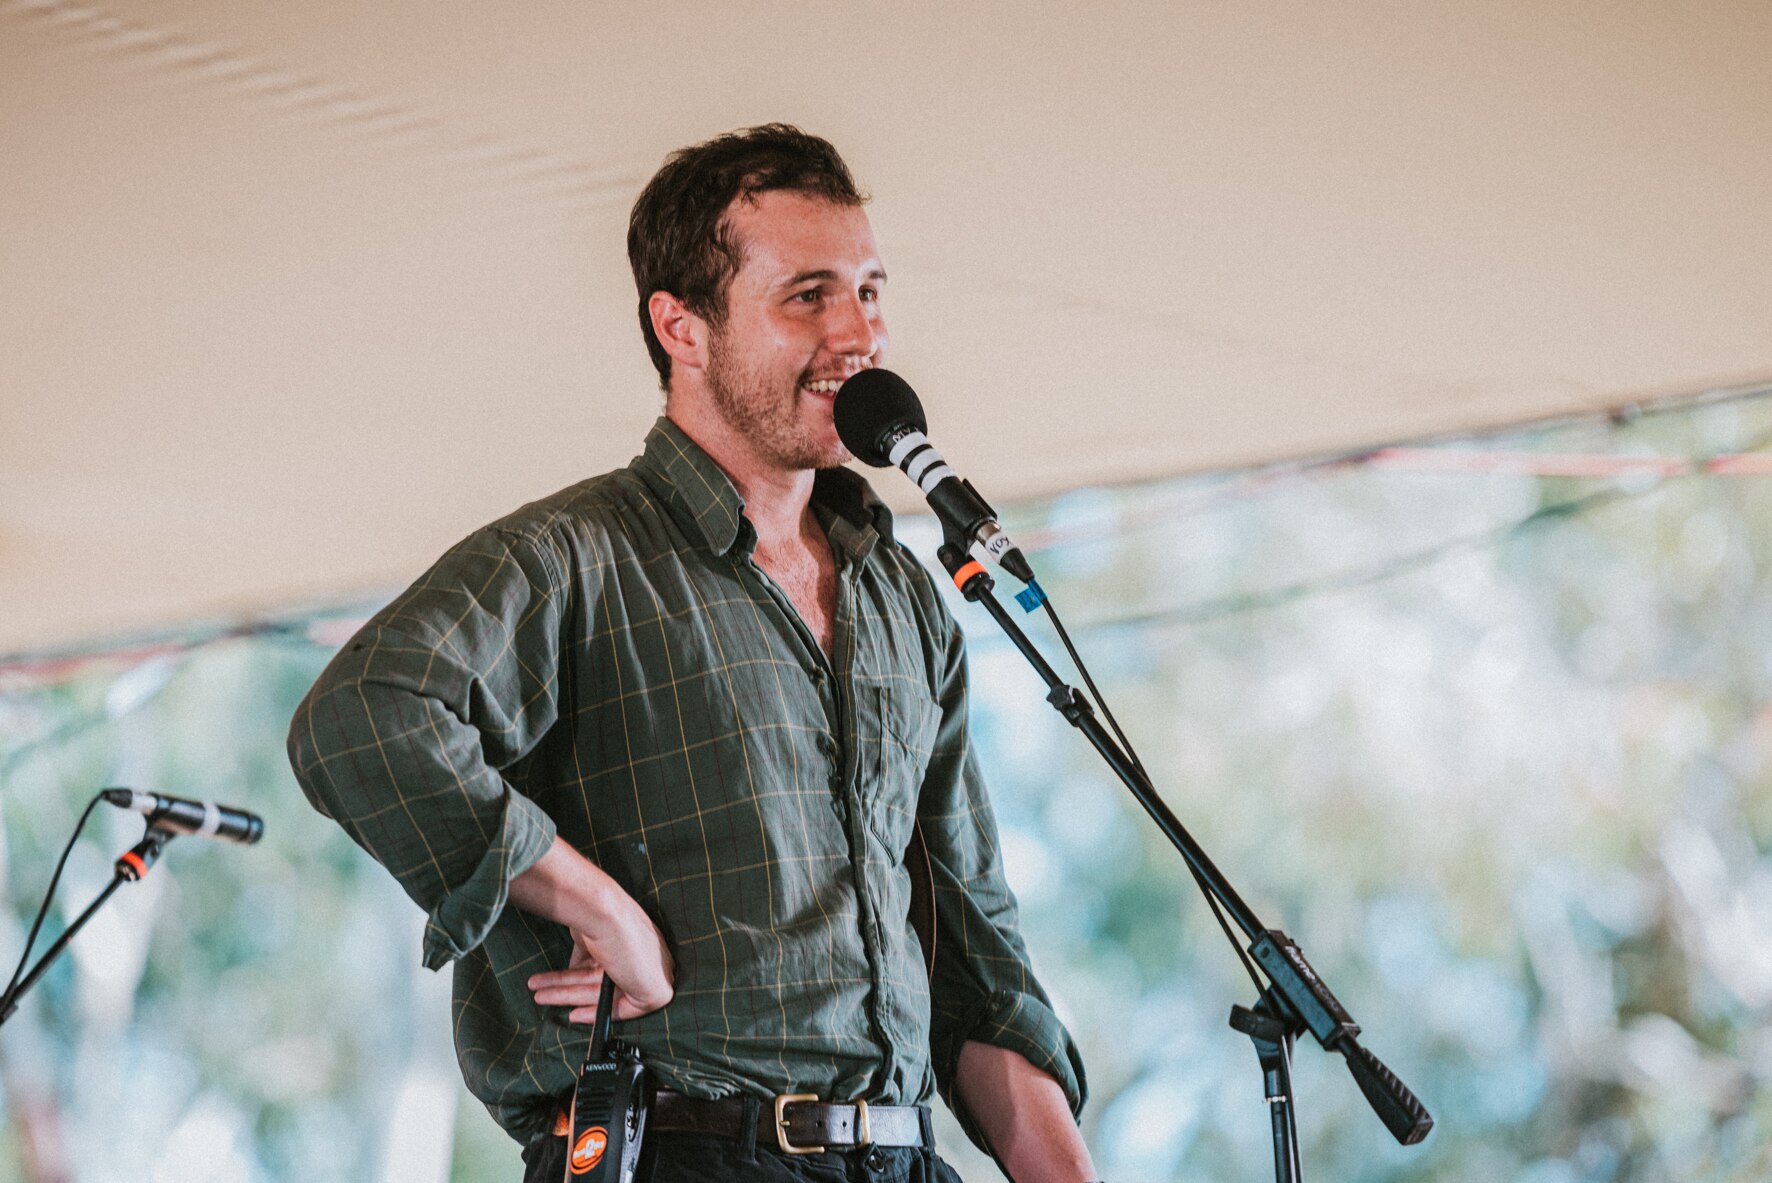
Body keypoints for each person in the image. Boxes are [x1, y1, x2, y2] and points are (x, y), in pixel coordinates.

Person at [288, 124, 1098, 1183]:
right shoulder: (575, 556)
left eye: (868, 289)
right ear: (683, 327)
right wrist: (596, 907)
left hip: (904, 1160)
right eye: (806, 295)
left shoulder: (903, 595)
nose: (857, 331)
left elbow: (978, 961)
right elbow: (362, 715)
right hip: (678, 1153)